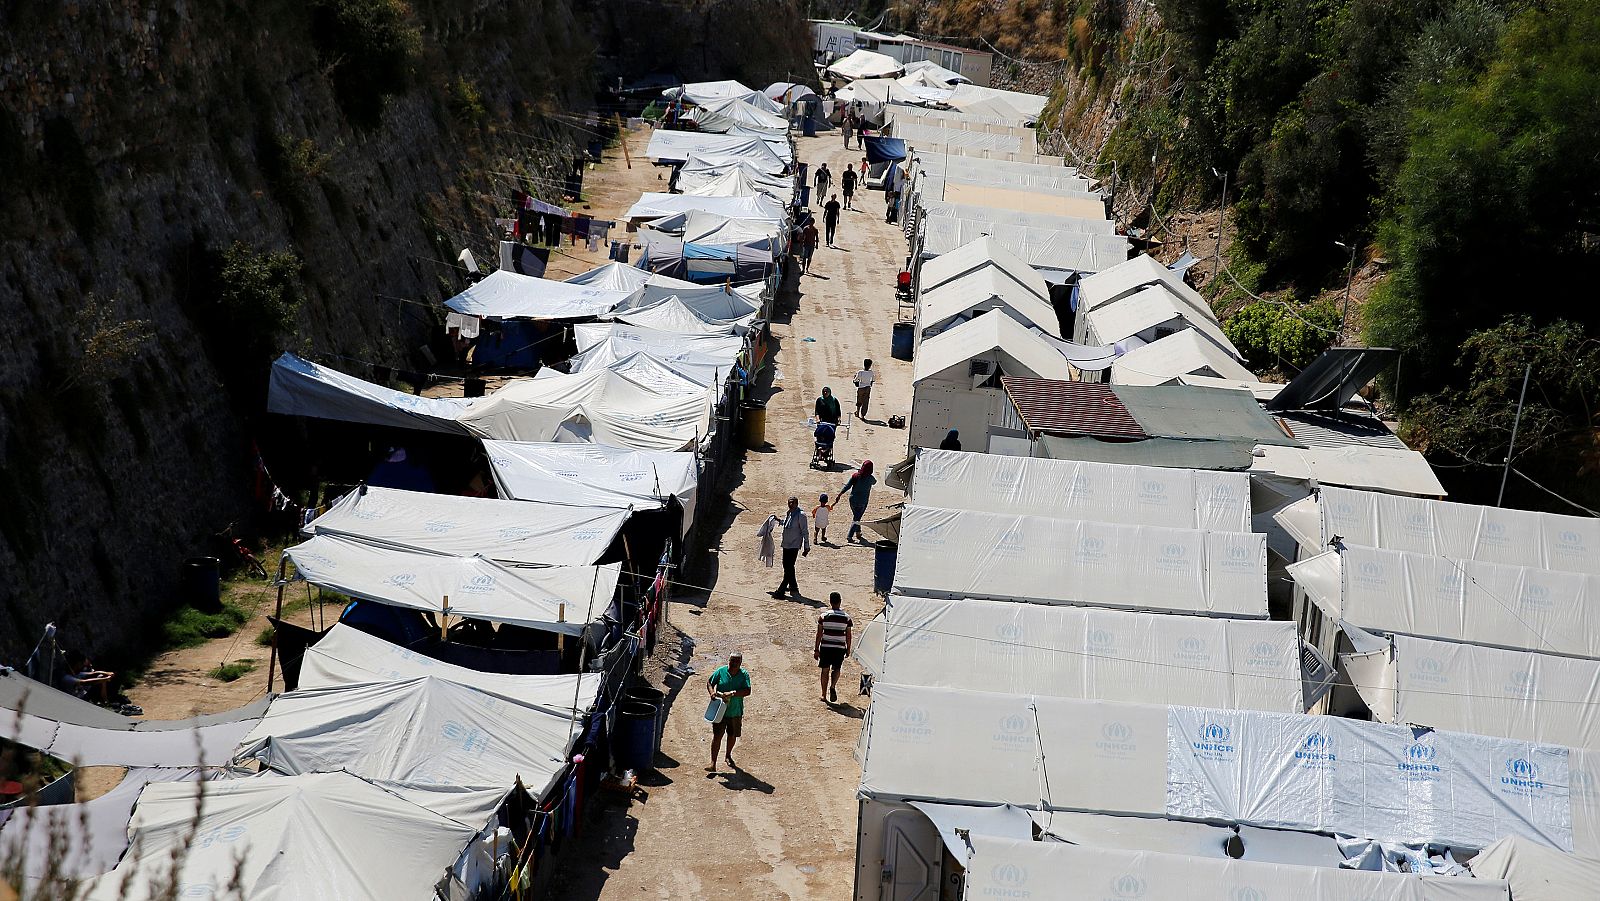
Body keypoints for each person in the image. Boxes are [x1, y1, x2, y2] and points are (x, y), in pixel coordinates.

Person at [706, 651, 752, 771]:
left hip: (735, 712)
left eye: (737, 661)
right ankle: (713, 763)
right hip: (720, 711)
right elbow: (710, 682)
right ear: (729, 660)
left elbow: (747, 691)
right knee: (717, 736)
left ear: (740, 663)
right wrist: (712, 693)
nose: (734, 663)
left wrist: (733, 693)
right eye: (732, 660)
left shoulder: (744, 675)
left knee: (732, 735)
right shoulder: (721, 671)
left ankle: (728, 755)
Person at [815, 592, 854, 702]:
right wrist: (848, 649)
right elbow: (848, 635)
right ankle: (832, 686)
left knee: (825, 670)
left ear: (830, 602)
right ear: (840, 602)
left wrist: (816, 649)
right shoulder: (846, 618)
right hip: (839, 647)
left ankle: (823, 695)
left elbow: (819, 634)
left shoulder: (824, 616)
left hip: (826, 647)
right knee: (836, 668)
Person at [771, 496, 811, 598]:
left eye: (792, 503)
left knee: (789, 567)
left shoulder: (801, 515)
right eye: (789, 503)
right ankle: (793, 586)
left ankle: (781, 590)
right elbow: (786, 523)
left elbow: (805, 531)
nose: (790, 504)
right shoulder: (789, 513)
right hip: (786, 544)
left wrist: (806, 546)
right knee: (787, 566)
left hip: (794, 545)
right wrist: (778, 520)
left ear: (797, 503)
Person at [834, 460, 877, 543]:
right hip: (862, 502)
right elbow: (875, 482)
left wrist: (839, 494)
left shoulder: (855, 476)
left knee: (857, 517)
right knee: (856, 519)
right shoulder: (870, 478)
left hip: (852, 500)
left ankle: (858, 532)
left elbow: (847, 486)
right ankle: (849, 536)